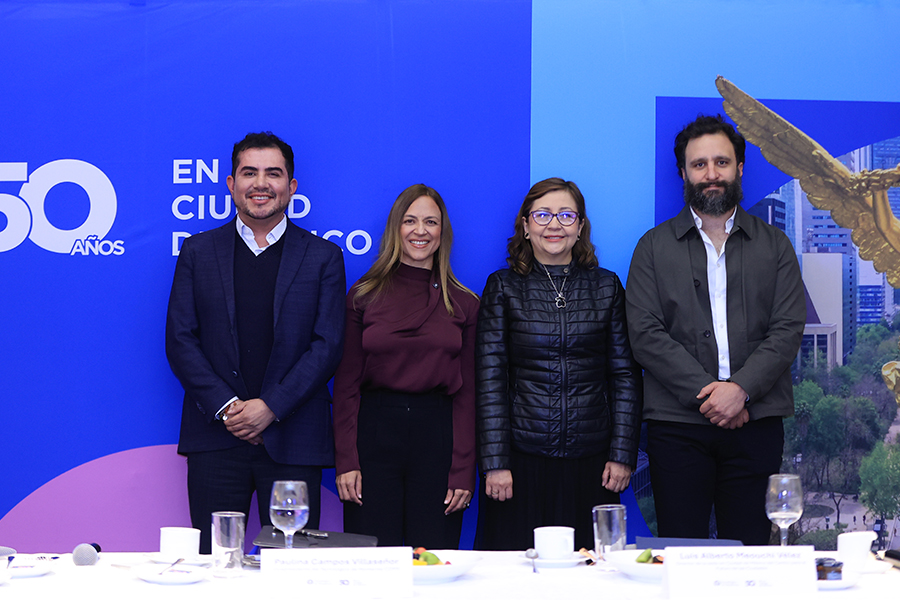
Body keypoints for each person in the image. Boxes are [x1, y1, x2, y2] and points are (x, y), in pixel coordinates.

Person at [625, 115, 806, 545]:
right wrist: (713, 396)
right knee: (680, 548)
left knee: (749, 550)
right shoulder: (652, 248)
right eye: (699, 164)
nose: (711, 174)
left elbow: (787, 328)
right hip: (677, 427)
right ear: (683, 173)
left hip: (756, 422)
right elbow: (645, 334)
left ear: (739, 168)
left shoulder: (775, 245)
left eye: (721, 162)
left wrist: (740, 390)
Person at [166, 132, 346, 553]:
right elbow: (180, 339)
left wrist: (270, 407)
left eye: (273, 173)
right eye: (249, 173)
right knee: (214, 564)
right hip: (216, 437)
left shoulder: (323, 257)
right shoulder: (197, 252)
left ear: (291, 186)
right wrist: (229, 408)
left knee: (290, 568)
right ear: (231, 184)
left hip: (293, 440)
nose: (261, 184)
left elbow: (327, 346)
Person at [475, 177, 642, 552]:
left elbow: (625, 377)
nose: (554, 224)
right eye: (542, 215)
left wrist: (621, 455)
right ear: (526, 226)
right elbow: (490, 381)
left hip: (593, 464)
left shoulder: (606, 286)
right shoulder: (503, 287)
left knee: (590, 572)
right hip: (520, 462)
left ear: (580, 227)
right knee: (515, 572)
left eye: (566, 215)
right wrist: (496, 463)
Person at [332, 184, 479, 548]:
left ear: (442, 232)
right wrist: (347, 460)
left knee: (433, 558)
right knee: (372, 560)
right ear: (395, 228)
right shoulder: (363, 295)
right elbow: (346, 387)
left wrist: (463, 469)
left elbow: (467, 395)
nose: (420, 230)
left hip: (438, 439)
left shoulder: (464, 303)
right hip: (374, 436)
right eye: (410, 220)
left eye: (431, 222)